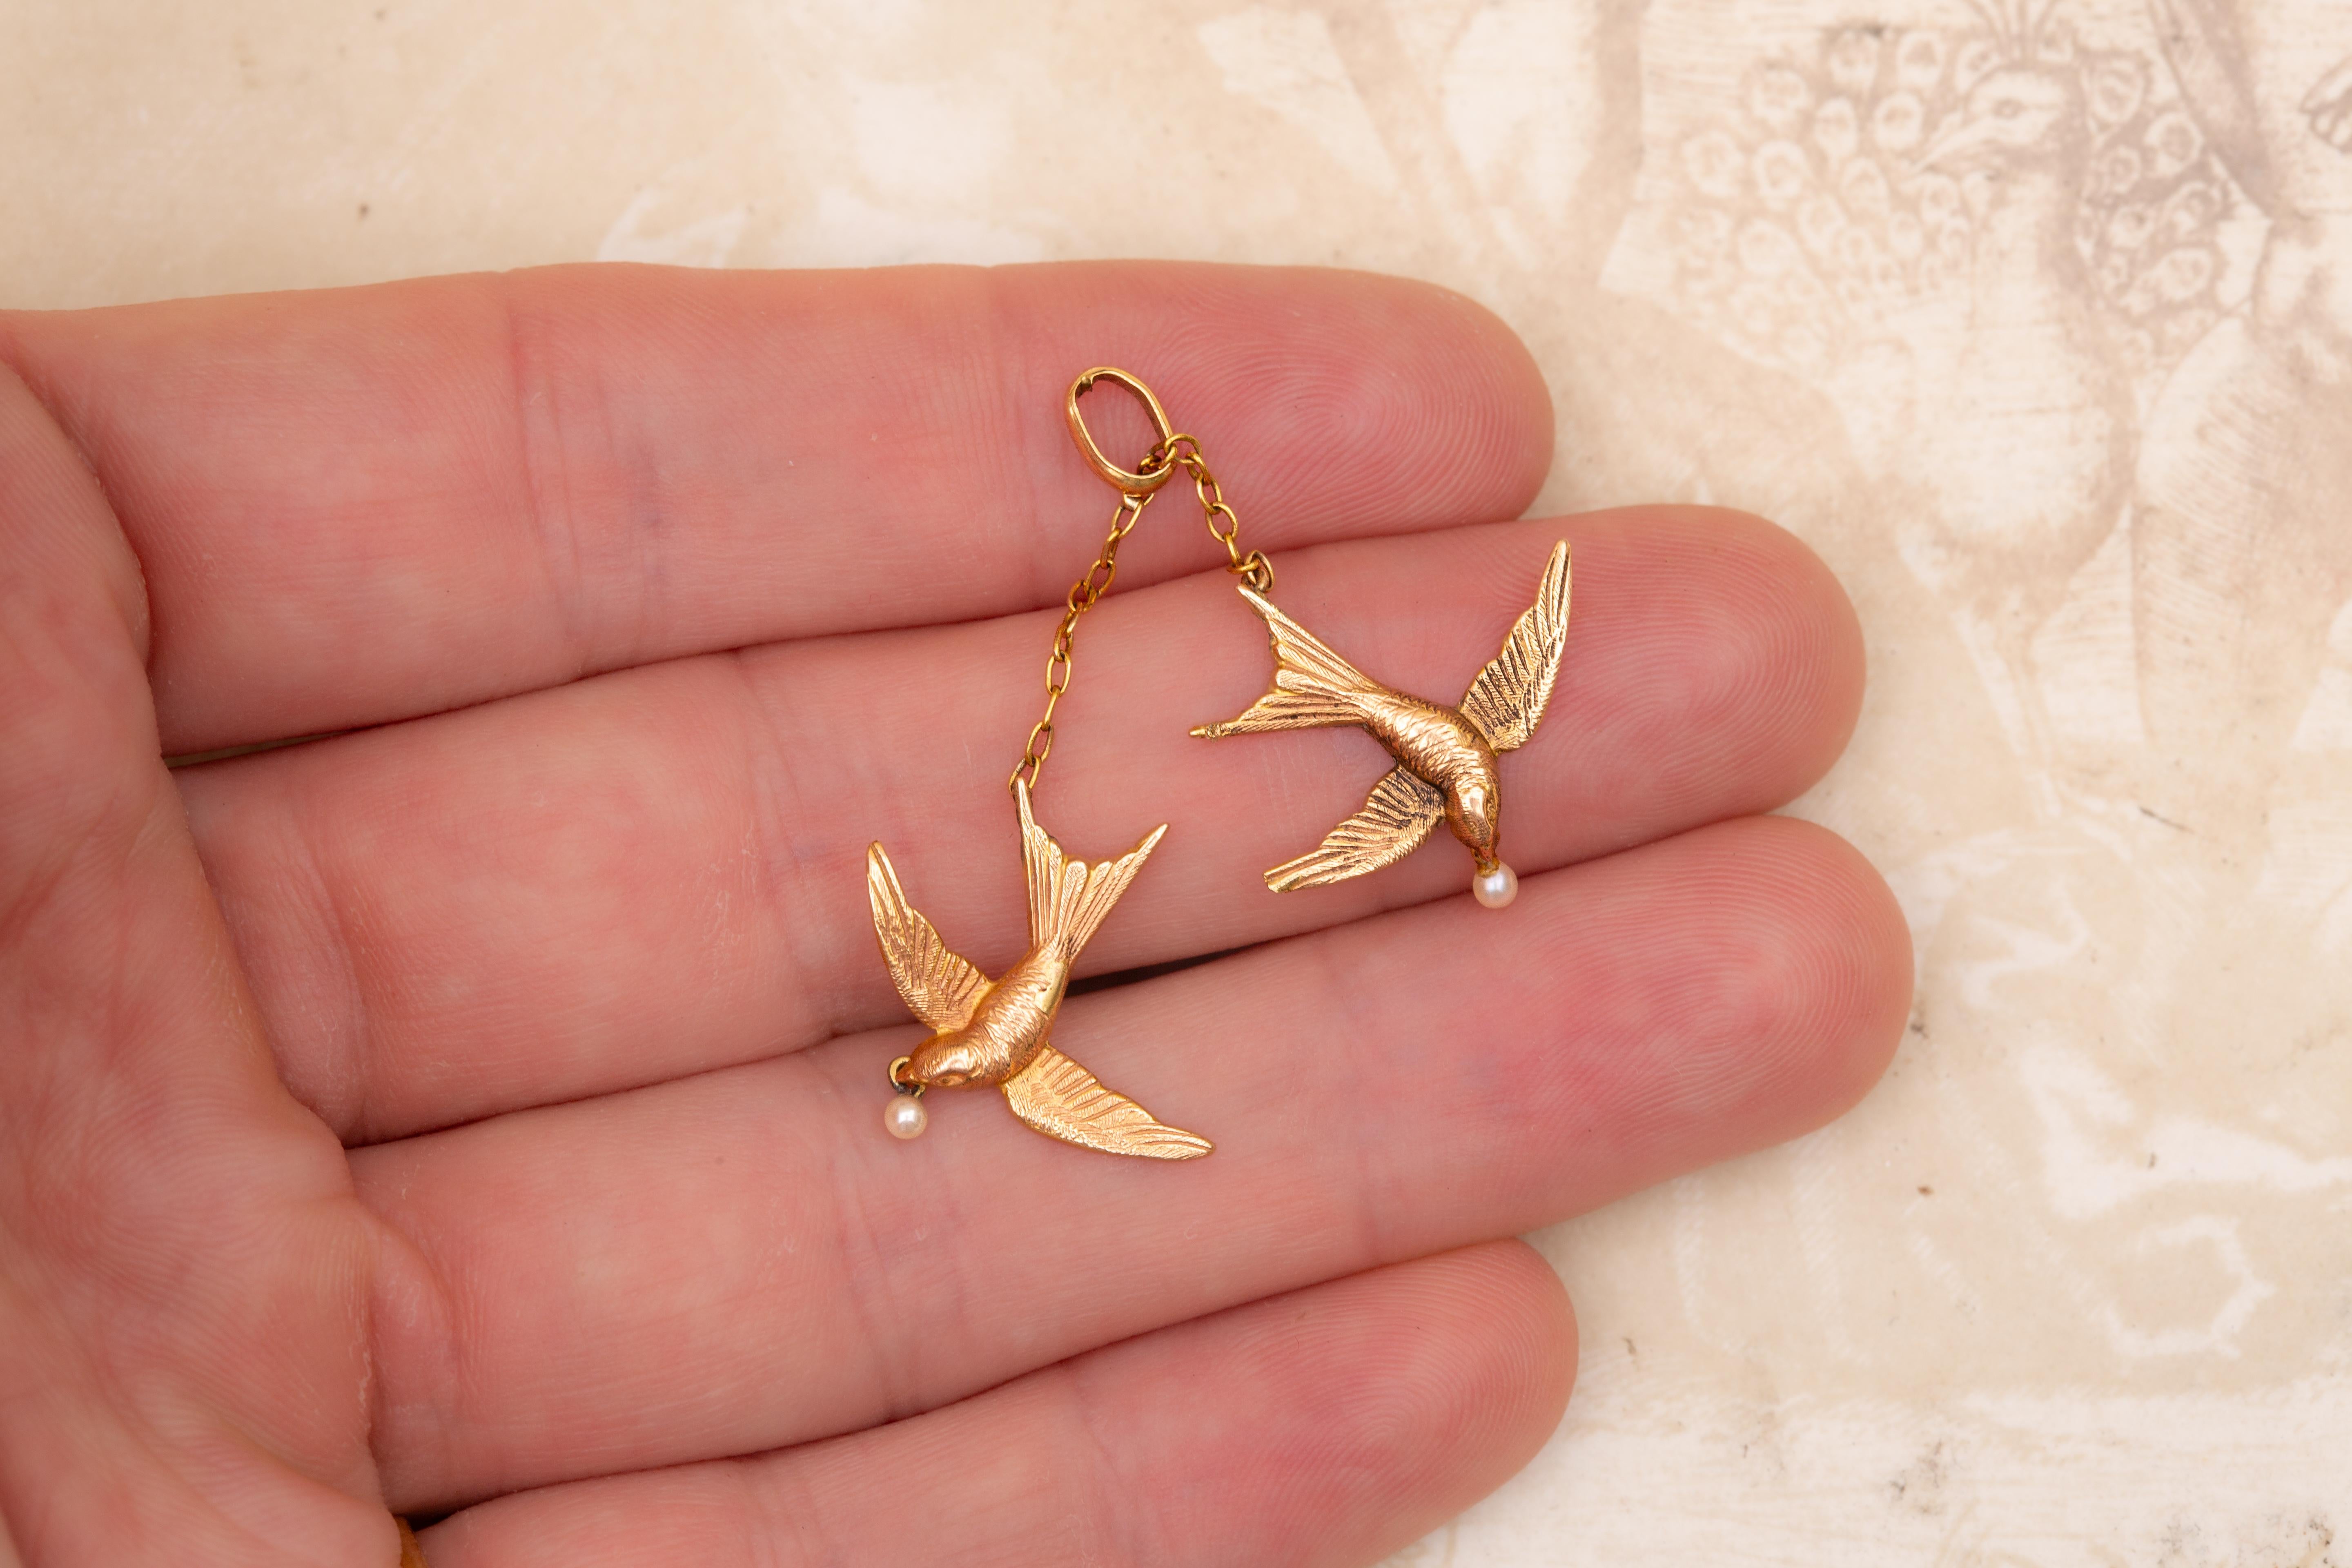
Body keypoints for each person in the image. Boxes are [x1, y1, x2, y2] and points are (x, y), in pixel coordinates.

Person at [0, 261, 1911, 1566]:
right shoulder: (994, 1025)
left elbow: (974, 949)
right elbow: (998, 991)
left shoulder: (1007, 992)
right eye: (939, 1058)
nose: (933, 1057)